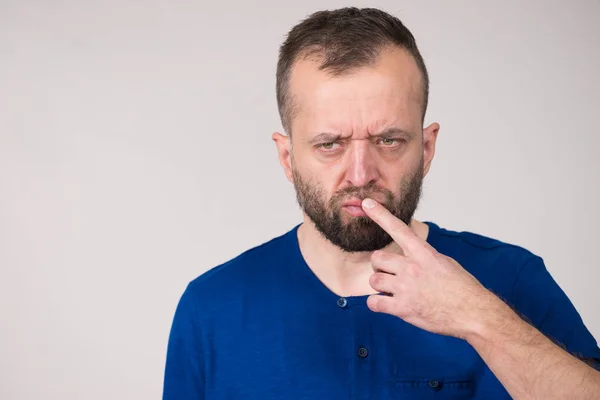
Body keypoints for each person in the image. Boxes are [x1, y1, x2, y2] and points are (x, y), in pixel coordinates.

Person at [162, 7, 600, 399]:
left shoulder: (513, 279)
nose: (360, 175)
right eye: (330, 144)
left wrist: (479, 318)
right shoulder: (211, 308)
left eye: (389, 140)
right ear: (287, 158)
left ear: (426, 150)